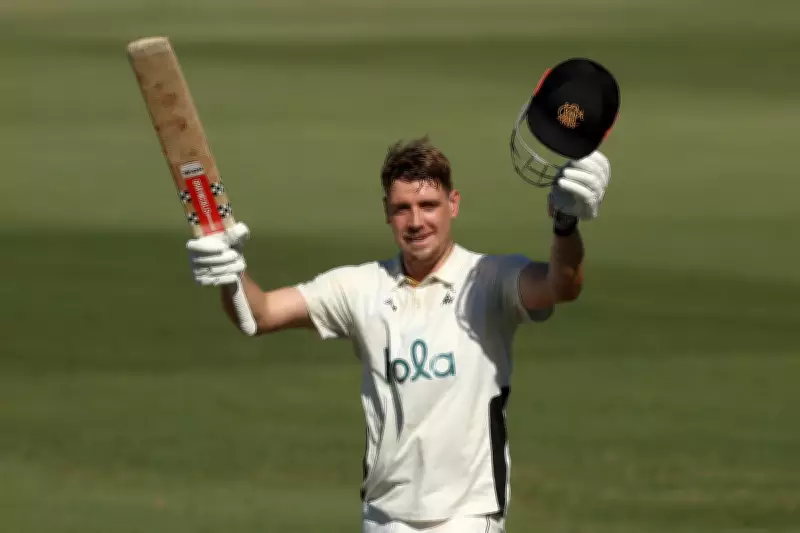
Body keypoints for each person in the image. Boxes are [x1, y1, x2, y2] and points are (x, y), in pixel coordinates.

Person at [186, 58, 618, 533]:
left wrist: (565, 224)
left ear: (453, 205)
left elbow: (562, 285)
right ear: (386, 213)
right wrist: (229, 272)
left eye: (428, 205)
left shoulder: (491, 278)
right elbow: (260, 314)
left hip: (467, 517)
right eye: (402, 209)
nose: (416, 222)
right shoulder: (358, 287)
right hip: (384, 516)